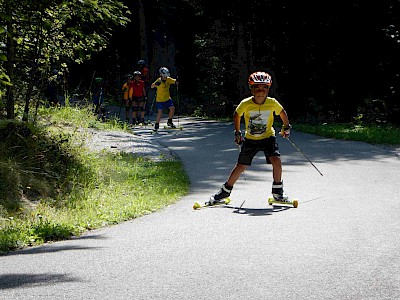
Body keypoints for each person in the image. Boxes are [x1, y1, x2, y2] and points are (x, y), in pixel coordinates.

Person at [210, 71, 292, 204]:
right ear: (252, 89)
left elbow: (282, 113)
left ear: (268, 89)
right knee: (241, 166)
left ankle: (278, 192)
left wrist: (286, 126)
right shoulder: (246, 103)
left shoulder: (272, 102)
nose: (261, 92)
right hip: (251, 139)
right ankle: (225, 191)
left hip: (268, 138)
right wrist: (237, 132)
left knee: (276, 161)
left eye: (264, 88)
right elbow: (237, 115)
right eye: (257, 88)